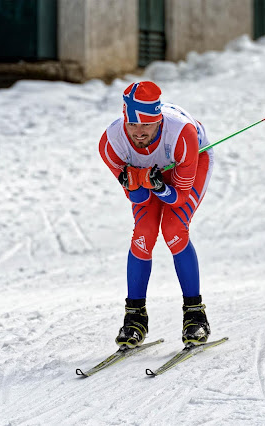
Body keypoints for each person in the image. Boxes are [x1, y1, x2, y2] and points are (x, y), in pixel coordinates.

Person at [98, 81, 214, 349]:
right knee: (144, 233)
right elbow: (135, 197)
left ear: (159, 120)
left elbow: (180, 196)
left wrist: (159, 185)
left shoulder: (181, 134)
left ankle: (195, 314)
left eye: (146, 125)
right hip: (149, 176)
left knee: (174, 230)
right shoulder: (111, 143)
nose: (138, 133)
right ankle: (135, 316)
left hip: (189, 162)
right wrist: (138, 182)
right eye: (132, 125)